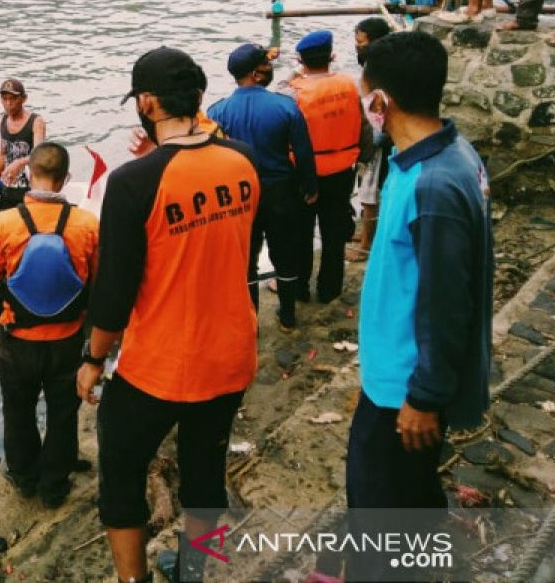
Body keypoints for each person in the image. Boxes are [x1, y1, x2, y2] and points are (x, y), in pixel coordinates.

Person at [78, 46, 260, 583]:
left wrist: (92, 357)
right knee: (206, 468)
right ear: (200, 99)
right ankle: (198, 569)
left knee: (121, 473)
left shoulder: (135, 181)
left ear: (148, 103)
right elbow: (242, 255)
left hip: (160, 365)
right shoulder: (243, 161)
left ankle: (132, 579)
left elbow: (113, 290)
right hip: (230, 355)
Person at [347, 30, 493, 581]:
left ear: (381, 103)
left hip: (401, 391)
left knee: (378, 511)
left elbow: (446, 302)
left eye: (368, 98)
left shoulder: (434, 185)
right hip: (395, 374)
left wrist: (425, 397)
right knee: (410, 496)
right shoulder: (442, 155)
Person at [0, 142, 99, 509]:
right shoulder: (87, 224)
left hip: (18, 339)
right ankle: (54, 485)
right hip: (67, 340)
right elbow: (96, 280)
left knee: (18, 412)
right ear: (65, 180)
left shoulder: (3, 223)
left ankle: (24, 475)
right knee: (63, 414)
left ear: (29, 173)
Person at [207, 44, 317, 329]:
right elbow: (303, 153)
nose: (271, 69)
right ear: (255, 74)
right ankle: (288, 315)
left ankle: (251, 321)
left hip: (241, 196)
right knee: (285, 255)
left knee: (246, 261)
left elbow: (212, 159)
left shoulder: (217, 112)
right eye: (266, 67)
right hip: (281, 191)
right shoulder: (285, 106)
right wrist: (309, 186)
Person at [283, 30, 371, 303]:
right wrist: (364, 160)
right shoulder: (348, 85)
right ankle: (329, 289)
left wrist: (290, 76)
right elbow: (365, 128)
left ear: (300, 60)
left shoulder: (293, 92)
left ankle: (299, 289)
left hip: (304, 174)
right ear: (331, 56)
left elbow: (282, 126)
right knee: (334, 236)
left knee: (300, 234)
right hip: (342, 170)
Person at [347, 18, 393, 263]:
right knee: (367, 190)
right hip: (370, 136)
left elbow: (380, 116)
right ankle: (364, 232)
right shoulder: (373, 65)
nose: (357, 46)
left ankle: (366, 245)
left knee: (369, 193)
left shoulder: (381, 73)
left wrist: (367, 141)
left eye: (360, 42)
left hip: (376, 140)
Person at [0, 78, 47, 209]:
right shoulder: (2, 121)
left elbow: (40, 155)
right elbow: (2, 155)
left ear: (24, 99)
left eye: (13, 99)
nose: (8, 103)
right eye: (4, 99)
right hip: (8, 186)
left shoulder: (36, 122)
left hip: (31, 188)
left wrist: (20, 162)